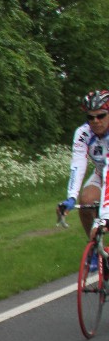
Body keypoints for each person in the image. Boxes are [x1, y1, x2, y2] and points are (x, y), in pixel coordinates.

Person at [60, 89, 109, 242]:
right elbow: (78, 163)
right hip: (101, 173)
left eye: (101, 116)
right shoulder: (83, 133)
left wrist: (105, 217)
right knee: (87, 201)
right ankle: (94, 247)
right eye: (90, 117)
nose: (95, 121)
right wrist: (71, 197)